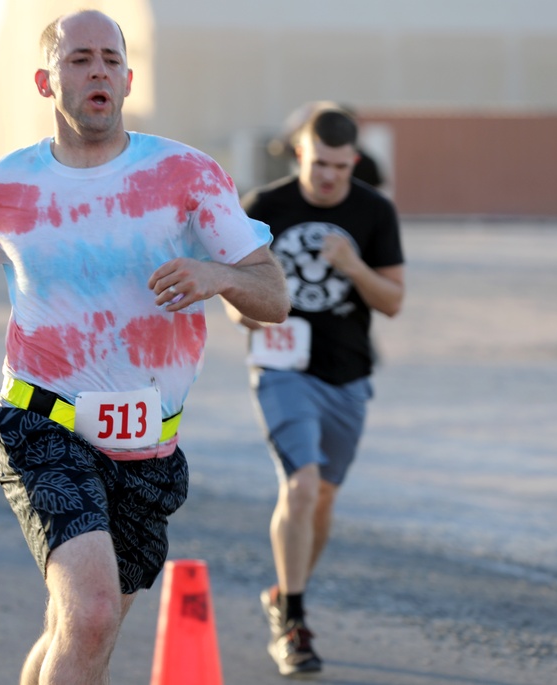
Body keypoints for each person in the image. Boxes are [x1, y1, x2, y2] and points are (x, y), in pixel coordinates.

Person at [0, 10, 289, 685]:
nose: (99, 72)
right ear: (45, 79)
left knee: (82, 628)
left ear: (128, 78)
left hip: (151, 446)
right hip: (42, 422)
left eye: (112, 60)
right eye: (81, 59)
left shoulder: (188, 176)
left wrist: (217, 274)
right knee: (87, 617)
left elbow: (273, 294)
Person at [226, 107, 404, 677]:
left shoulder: (374, 212)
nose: (328, 175)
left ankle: (284, 591)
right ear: (300, 153)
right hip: (283, 371)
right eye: (318, 162)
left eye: (339, 165)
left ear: (353, 160)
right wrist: (250, 318)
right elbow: (235, 293)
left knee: (323, 495)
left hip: (348, 373)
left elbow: (393, 300)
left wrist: (353, 264)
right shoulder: (265, 207)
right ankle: (294, 623)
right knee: (300, 487)